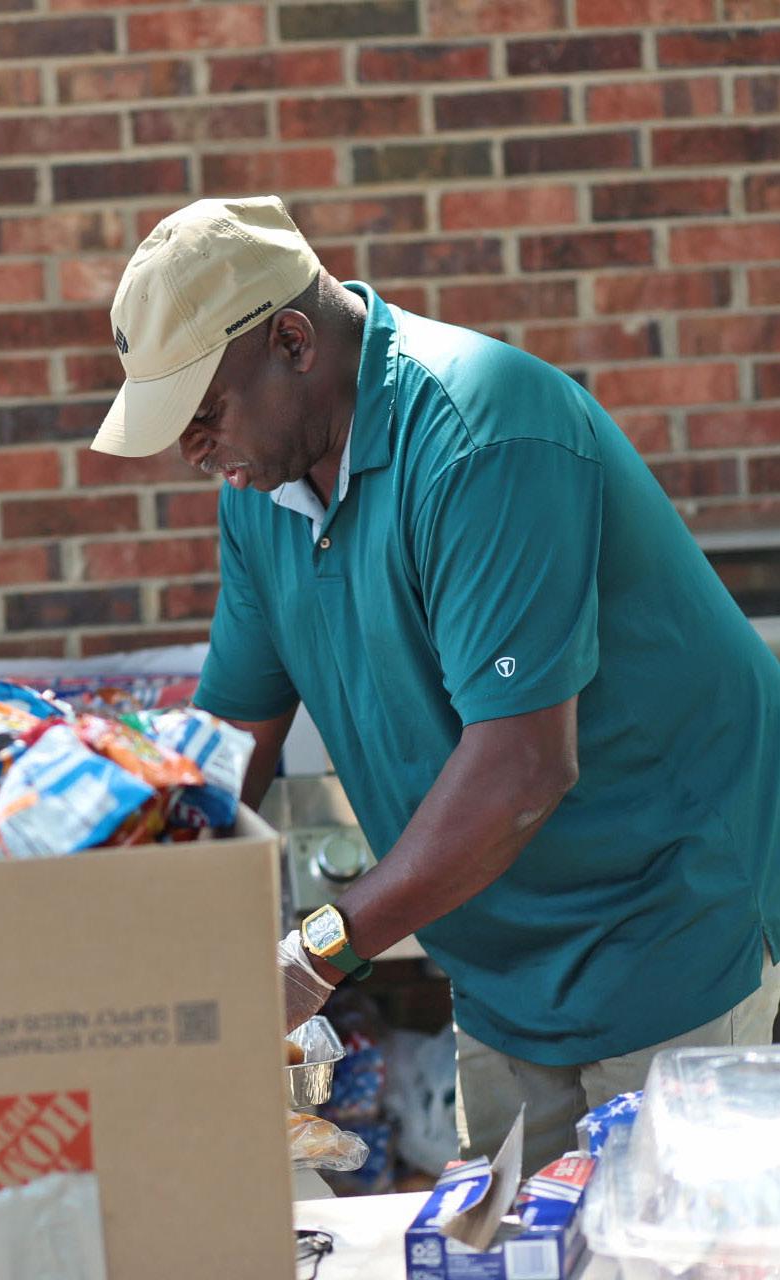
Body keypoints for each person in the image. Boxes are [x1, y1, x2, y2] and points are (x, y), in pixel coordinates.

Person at [92, 195, 780, 1176]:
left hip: (668, 913)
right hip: (497, 945)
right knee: (504, 1235)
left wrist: (313, 953)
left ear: (292, 343)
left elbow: (523, 770)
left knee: (658, 1231)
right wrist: (125, 912)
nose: (192, 452)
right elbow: (233, 734)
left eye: (202, 414)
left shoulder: (482, 436)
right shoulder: (264, 495)